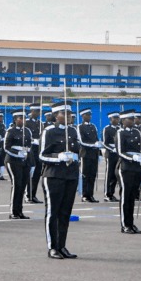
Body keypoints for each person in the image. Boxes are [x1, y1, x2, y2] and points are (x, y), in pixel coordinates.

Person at [40, 102, 80, 259]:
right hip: (53, 175)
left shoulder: (73, 130)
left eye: (69, 113)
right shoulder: (49, 131)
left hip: (70, 175)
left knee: (65, 212)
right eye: (64, 113)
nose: (69, 115)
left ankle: (62, 245)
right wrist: (58, 157)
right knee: (53, 212)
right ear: (56, 116)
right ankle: (52, 247)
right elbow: (42, 155)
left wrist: (75, 156)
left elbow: (77, 150)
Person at [115, 110, 141, 234]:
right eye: (130, 119)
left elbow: (140, 148)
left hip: (136, 167)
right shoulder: (120, 132)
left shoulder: (137, 132)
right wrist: (132, 157)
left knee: (132, 196)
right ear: (123, 121)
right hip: (125, 167)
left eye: (133, 119)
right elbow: (120, 152)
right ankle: (124, 225)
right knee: (125, 196)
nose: (133, 121)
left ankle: (131, 223)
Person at [3, 109, 33, 219]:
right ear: (15, 120)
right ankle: (13, 211)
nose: (23, 120)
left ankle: (19, 211)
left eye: (24, 118)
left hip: (24, 160)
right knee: (17, 184)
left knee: (23, 185)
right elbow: (6, 147)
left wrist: (28, 158)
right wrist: (17, 153)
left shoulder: (27, 131)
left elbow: (29, 145)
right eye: (20, 118)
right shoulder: (10, 131)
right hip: (13, 160)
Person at [78, 108, 102, 202]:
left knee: (92, 175)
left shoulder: (93, 126)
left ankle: (90, 195)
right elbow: (81, 141)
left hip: (94, 154)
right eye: (87, 115)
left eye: (90, 115)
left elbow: (96, 139)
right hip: (85, 154)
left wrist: (99, 151)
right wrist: (93, 145)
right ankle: (84, 195)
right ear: (83, 116)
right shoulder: (80, 127)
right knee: (85, 175)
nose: (89, 117)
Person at [25, 103, 43, 203]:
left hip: (38, 150)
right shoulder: (26, 123)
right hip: (30, 150)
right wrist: (33, 141)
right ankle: (28, 195)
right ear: (31, 111)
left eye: (39, 111)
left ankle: (33, 194)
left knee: (37, 174)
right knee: (30, 173)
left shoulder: (40, 123)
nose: (38, 113)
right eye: (36, 111)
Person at [102, 112, 120, 202]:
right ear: (110, 119)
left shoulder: (119, 129)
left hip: (118, 154)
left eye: (117, 118)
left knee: (115, 175)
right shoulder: (107, 129)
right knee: (109, 174)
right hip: (111, 154)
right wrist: (112, 148)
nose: (117, 120)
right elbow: (105, 143)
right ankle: (107, 194)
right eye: (114, 118)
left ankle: (111, 193)